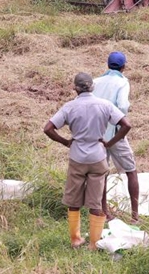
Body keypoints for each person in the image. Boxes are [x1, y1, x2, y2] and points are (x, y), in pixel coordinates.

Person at [42, 72, 131, 250]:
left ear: (75, 88)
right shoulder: (104, 105)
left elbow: (48, 128)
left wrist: (66, 141)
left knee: (74, 202)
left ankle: (76, 240)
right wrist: (110, 143)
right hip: (98, 156)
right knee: (96, 202)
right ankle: (94, 243)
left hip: (77, 157)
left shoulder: (69, 107)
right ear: (92, 87)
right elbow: (126, 125)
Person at [94, 51, 140, 222]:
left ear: (107, 65)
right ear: (123, 67)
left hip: (98, 133)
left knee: (102, 173)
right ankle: (135, 216)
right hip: (116, 132)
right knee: (131, 170)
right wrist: (119, 120)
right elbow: (122, 105)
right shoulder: (122, 82)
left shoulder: (95, 81)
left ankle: (105, 212)